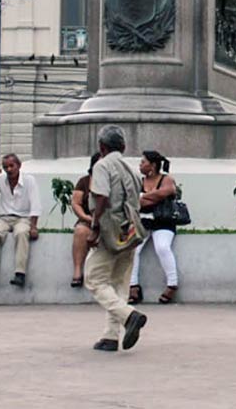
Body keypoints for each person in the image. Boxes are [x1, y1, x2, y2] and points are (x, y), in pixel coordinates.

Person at [85, 125, 148, 352]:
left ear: (102, 147)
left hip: (109, 229)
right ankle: (111, 336)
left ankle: (128, 316)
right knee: (119, 283)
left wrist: (94, 226)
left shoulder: (102, 165)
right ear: (123, 146)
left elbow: (101, 197)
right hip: (130, 229)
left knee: (94, 279)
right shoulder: (131, 168)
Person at [129, 150, 181, 305]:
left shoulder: (167, 179)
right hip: (143, 221)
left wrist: (144, 197)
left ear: (152, 165)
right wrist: (154, 197)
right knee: (132, 249)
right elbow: (136, 202)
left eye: (143, 162)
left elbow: (168, 191)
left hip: (163, 221)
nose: (140, 165)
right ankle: (133, 286)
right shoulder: (139, 182)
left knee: (162, 247)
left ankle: (172, 284)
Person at [0, 153, 40, 288]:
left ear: (19, 166)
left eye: (11, 166)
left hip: (23, 218)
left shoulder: (29, 180)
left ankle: (20, 273)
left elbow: (36, 205)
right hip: (4, 217)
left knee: (21, 233)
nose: (9, 169)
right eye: (5, 167)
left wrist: (34, 226)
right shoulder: (1, 179)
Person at [70, 153, 100, 287]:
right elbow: (76, 203)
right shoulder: (84, 181)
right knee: (80, 231)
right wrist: (85, 217)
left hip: (109, 220)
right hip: (88, 220)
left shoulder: (114, 180)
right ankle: (77, 271)